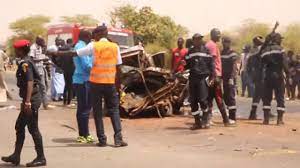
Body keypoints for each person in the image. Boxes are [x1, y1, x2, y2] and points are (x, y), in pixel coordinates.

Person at [49, 25, 127, 147]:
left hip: (95, 83)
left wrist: (56, 53)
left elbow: (74, 53)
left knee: (97, 112)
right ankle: (118, 139)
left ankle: (102, 139)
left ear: (99, 34)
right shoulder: (115, 47)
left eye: (94, 34)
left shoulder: (93, 46)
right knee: (114, 110)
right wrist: (118, 86)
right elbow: (119, 68)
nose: (93, 37)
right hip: (110, 83)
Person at [1, 40, 46, 167]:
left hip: (31, 99)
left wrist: (27, 102)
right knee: (20, 126)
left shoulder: (25, 63)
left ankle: (41, 157)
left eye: (16, 50)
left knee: (32, 128)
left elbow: (30, 82)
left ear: (20, 50)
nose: (15, 52)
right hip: (30, 99)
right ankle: (16, 156)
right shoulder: (26, 61)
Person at [184, 33, 215, 130]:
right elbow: (187, 65)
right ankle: (197, 122)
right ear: (193, 40)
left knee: (202, 100)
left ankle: (205, 120)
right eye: (196, 39)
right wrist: (184, 65)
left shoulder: (206, 51)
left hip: (202, 78)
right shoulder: (190, 52)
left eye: (200, 39)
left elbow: (211, 65)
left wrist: (212, 77)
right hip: (193, 78)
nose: (198, 41)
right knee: (193, 101)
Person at [206, 28, 233, 127]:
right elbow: (212, 61)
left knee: (209, 98)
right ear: (213, 35)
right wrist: (214, 76)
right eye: (218, 35)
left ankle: (208, 120)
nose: (219, 37)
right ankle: (226, 120)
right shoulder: (212, 46)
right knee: (218, 97)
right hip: (214, 75)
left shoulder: (208, 45)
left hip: (211, 75)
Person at [261, 33, 289, 125]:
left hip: (267, 76)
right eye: (280, 39)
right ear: (276, 39)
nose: (281, 40)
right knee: (280, 97)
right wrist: (288, 74)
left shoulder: (264, 50)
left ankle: (266, 120)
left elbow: (261, 65)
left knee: (267, 98)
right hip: (278, 76)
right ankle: (279, 120)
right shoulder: (280, 49)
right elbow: (284, 63)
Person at [73, 30, 94, 143]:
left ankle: (83, 134)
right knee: (85, 108)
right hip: (83, 80)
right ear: (86, 36)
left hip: (80, 80)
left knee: (82, 108)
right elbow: (86, 65)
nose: (91, 39)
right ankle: (84, 134)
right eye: (90, 36)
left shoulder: (79, 45)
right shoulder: (81, 47)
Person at [29, 36, 55, 110]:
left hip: (41, 69)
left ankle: (43, 102)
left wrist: (45, 60)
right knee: (42, 87)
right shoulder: (33, 48)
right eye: (42, 41)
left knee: (46, 85)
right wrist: (42, 58)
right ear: (38, 41)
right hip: (36, 70)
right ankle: (45, 104)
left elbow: (40, 57)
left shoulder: (39, 47)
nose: (43, 43)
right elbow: (31, 59)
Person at [221, 37, 238, 122]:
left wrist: (232, 77)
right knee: (225, 96)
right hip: (224, 77)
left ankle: (232, 117)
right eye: (224, 42)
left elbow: (234, 66)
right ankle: (230, 113)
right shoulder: (222, 52)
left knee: (230, 96)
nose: (225, 44)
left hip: (230, 77)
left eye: (227, 42)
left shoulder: (232, 52)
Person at [247, 36, 264, 120]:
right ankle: (264, 113)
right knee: (262, 94)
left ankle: (252, 113)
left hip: (257, 75)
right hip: (260, 75)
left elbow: (248, 66)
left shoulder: (253, 50)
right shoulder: (257, 50)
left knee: (258, 94)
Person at [60, 39, 75, 106]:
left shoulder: (61, 48)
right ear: (71, 42)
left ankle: (64, 101)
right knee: (70, 85)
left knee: (66, 84)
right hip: (71, 68)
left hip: (64, 68)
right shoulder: (72, 49)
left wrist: (59, 65)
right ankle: (69, 102)